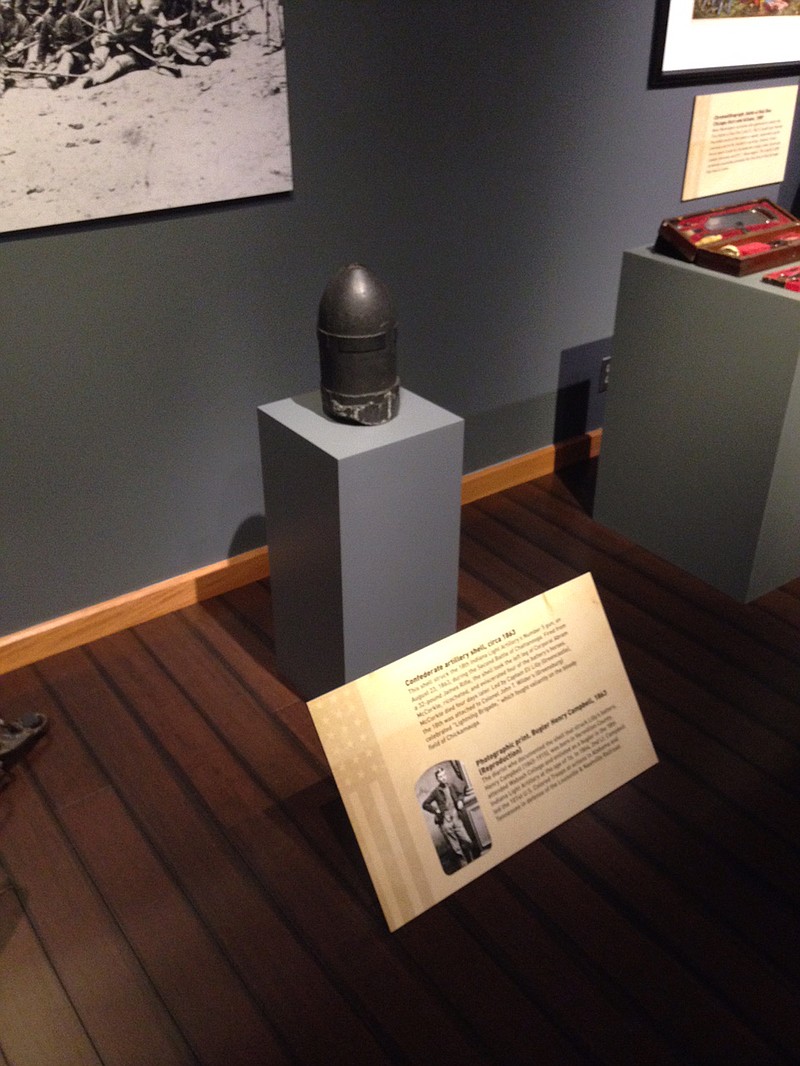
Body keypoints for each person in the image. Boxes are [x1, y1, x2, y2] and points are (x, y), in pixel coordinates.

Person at [422, 765, 476, 869]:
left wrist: (460, 801)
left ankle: (473, 862)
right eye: (440, 777)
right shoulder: (436, 792)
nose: (443, 778)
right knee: (457, 849)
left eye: (444, 775)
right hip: (446, 823)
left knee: (468, 841)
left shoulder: (451, 786)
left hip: (456, 819)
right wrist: (436, 810)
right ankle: (465, 867)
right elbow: (425, 804)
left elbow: (460, 794)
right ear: (438, 779)